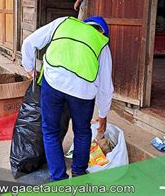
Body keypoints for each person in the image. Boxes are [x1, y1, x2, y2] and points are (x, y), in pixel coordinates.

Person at [21, 16, 114, 181]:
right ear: (102, 32)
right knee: (82, 132)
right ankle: (78, 174)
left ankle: (58, 178)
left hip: (53, 84)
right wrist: (103, 113)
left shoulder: (63, 22)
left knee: (50, 131)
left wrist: (29, 68)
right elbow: (106, 86)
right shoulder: (102, 43)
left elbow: (29, 42)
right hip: (83, 92)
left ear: (83, 23)